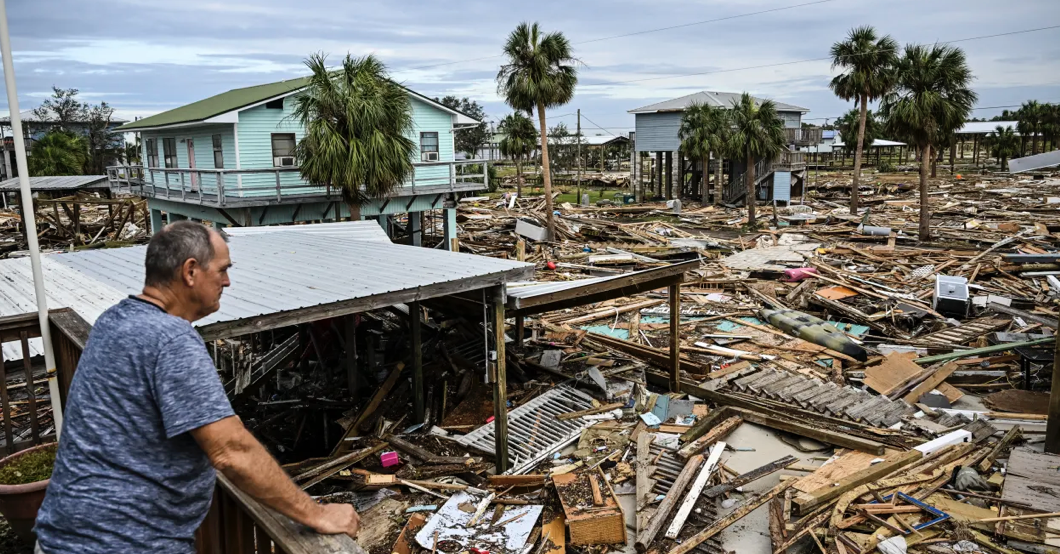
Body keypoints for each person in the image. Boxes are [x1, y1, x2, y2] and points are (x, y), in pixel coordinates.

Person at [35, 221, 359, 553]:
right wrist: (316, 513)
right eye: (222, 270)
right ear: (190, 272)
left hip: (64, 535)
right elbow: (231, 451)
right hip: (122, 543)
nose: (227, 281)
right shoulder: (170, 339)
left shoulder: (114, 320)